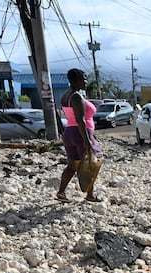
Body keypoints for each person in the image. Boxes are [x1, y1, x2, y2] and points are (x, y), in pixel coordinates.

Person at [56, 68, 102, 203]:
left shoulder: (65, 95)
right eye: (84, 78)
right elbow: (80, 119)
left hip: (69, 133)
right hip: (80, 133)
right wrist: (87, 140)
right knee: (89, 164)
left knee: (72, 165)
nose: (86, 81)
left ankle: (61, 192)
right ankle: (90, 195)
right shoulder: (76, 96)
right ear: (75, 80)